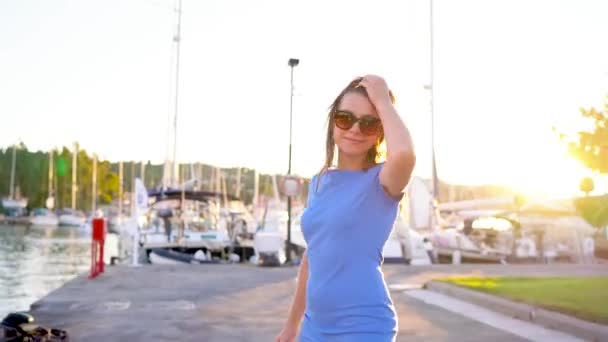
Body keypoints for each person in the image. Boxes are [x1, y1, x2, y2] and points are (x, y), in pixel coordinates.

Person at [275, 75, 416, 342]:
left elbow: (404, 155)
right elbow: (313, 256)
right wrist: (292, 325)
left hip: (364, 327)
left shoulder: (382, 180)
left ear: (380, 133)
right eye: (345, 118)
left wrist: (383, 101)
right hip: (315, 327)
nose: (354, 129)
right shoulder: (319, 183)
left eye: (369, 124)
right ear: (332, 124)